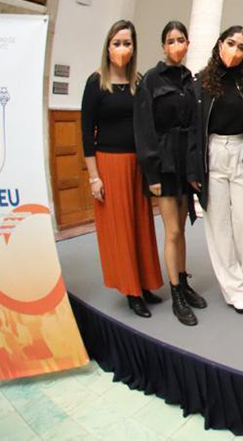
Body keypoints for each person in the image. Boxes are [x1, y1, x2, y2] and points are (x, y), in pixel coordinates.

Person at [81, 20, 163, 318]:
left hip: (137, 164)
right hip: (110, 163)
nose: (122, 48)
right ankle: (131, 290)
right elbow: (86, 133)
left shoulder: (138, 82)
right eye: (117, 43)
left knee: (141, 226)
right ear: (108, 47)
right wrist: (94, 177)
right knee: (121, 229)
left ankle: (144, 283)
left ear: (134, 48)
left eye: (127, 43)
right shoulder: (95, 82)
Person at [134, 21, 207, 326]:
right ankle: (176, 292)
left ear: (188, 43)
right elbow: (144, 129)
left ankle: (184, 281)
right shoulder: (151, 79)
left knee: (183, 230)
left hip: (184, 162)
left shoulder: (191, 80)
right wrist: (151, 173)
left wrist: (194, 168)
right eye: (171, 41)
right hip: (162, 163)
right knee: (173, 231)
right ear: (163, 46)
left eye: (181, 40)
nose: (176, 45)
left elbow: (195, 125)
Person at [194, 26, 243, 314]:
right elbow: (193, 127)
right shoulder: (202, 81)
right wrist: (194, 170)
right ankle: (233, 287)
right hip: (214, 151)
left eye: (241, 47)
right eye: (230, 43)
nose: (235, 51)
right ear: (219, 44)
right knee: (219, 224)